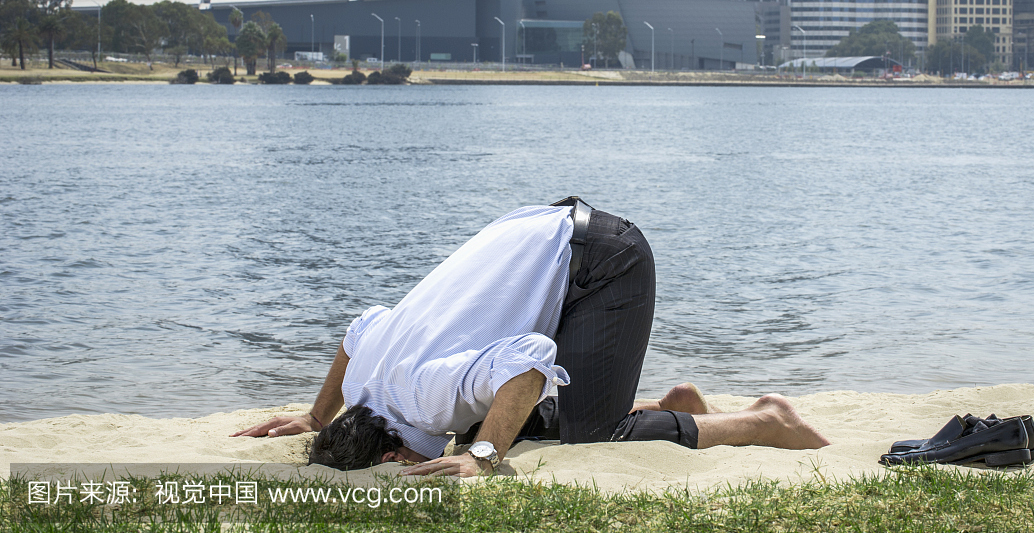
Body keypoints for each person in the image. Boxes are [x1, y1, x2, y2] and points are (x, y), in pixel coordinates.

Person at [233, 201, 829, 474]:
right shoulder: (369, 383)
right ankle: (671, 409)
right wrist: (317, 416)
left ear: (391, 455)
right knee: (489, 416)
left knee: (574, 432)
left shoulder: (427, 397)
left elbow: (532, 356)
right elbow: (359, 326)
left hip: (603, 259)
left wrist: (484, 458)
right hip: (546, 234)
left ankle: (763, 420)